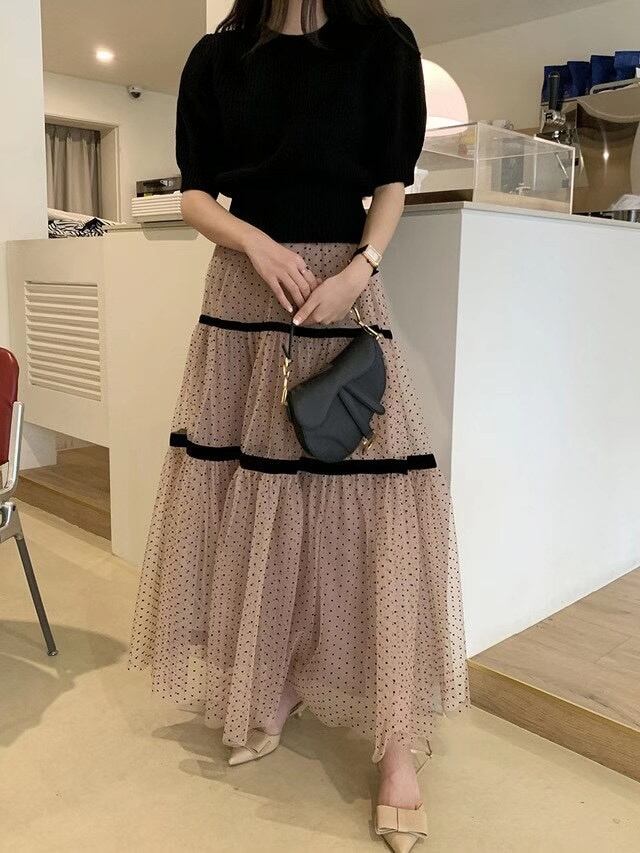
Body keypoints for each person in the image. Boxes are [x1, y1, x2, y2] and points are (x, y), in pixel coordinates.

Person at [128, 1, 469, 850]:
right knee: (254, 500)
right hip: (246, 293)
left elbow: (390, 182)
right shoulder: (219, 57)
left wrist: (362, 268)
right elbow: (195, 195)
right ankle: (272, 678)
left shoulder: (381, 46)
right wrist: (254, 242)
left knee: (376, 512)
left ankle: (397, 744)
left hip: (342, 289)